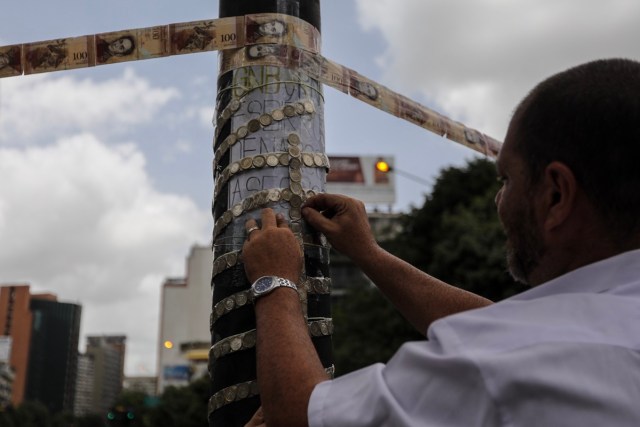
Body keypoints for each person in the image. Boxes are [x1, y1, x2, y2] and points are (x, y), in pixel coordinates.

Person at [242, 58, 640, 426]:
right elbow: (500, 328)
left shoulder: (511, 365)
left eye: (507, 180)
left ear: (556, 194)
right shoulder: (601, 323)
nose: (499, 199)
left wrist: (275, 283)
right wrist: (370, 255)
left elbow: (301, 415)